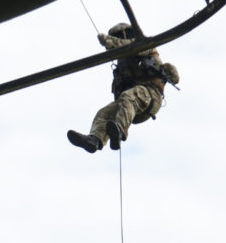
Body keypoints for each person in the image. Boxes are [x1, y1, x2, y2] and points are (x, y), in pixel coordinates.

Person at [67, 23, 180, 153]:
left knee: (130, 96)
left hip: (151, 96)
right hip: (129, 108)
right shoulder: (122, 65)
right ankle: (95, 140)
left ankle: (119, 131)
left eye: (119, 36)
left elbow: (127, 46)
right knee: (104, 113)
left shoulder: (145, 47)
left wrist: (108, 40)